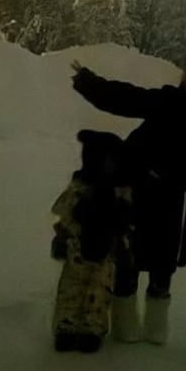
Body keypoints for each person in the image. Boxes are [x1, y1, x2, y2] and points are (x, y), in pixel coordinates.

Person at [69, 60, 186, 346]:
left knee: (164, 259)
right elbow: (128, 98)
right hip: (135, 184)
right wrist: (89, 83)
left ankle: (156, 324)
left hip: (171, 193)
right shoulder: (169, 102)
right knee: (129, 253)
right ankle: (124, 323)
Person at [50, 130, 137, 353]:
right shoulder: (81, 185)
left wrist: (123, 233)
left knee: (99, 290)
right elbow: (64, 210)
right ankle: (66, 327)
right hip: (77, 247)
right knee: (72, 287)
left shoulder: (121, 188)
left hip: (107, 249)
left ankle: (92, 328)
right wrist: (65, 233)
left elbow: (128, 217)